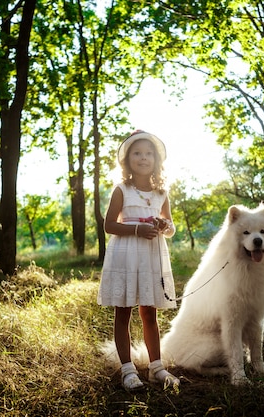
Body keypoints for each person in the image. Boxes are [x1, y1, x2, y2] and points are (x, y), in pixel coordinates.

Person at [98, 130, 180, 392]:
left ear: (156, 160)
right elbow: (109, 225)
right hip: (126, 253)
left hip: (150, 256)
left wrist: (164, 225)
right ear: (127, 160)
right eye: (137, 153)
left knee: (149, 311)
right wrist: (135, 230)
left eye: (148, 153)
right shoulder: (122, 190)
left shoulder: (161, 193)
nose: (143, 158)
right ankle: (128, 370)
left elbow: (170, 227)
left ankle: (156, 367)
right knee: (123, 311)